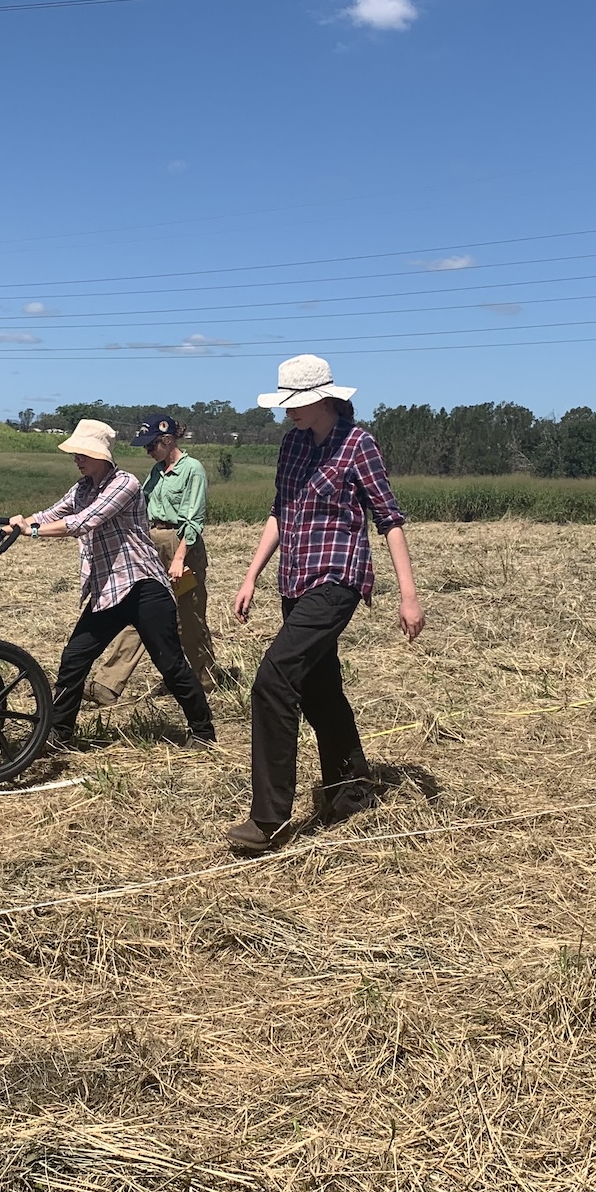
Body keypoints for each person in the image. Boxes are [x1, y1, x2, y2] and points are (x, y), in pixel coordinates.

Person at [228, 355, 424, 852]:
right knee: (319, 688)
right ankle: (352, 785)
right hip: (294, 581)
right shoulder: (292, 444)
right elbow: (280, 512)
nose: (288, 412)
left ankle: (268, 818)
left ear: (324, 399)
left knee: (274, 678)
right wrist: (252, 574)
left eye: (295, 403)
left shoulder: (359, 445)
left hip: (338, 580)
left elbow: (389, 519)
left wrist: (408, 594)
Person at [8, 418, 216, 748]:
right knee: (74, 657)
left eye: (82, 453)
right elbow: (50, 514)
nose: (76, 458)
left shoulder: (126, 484)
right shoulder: (81, 488)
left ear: (102, 455)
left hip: (143, 587)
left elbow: (83, 522)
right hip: (108, 591)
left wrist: (30, 531)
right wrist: (10, 526)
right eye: (75, 453)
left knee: (170, 663)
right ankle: (60, 732)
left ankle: (203, 731)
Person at [87, 414, 219, 706]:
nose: (148, 451)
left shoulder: (192, 470)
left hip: (180, 546)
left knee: (188, 618)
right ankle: (107, 685)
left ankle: (205, 679)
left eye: (152, 446)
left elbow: (194, 520)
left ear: (168, 440)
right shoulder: (156, 473)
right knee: (141, 611)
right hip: (152, 543)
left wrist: (180, 558)